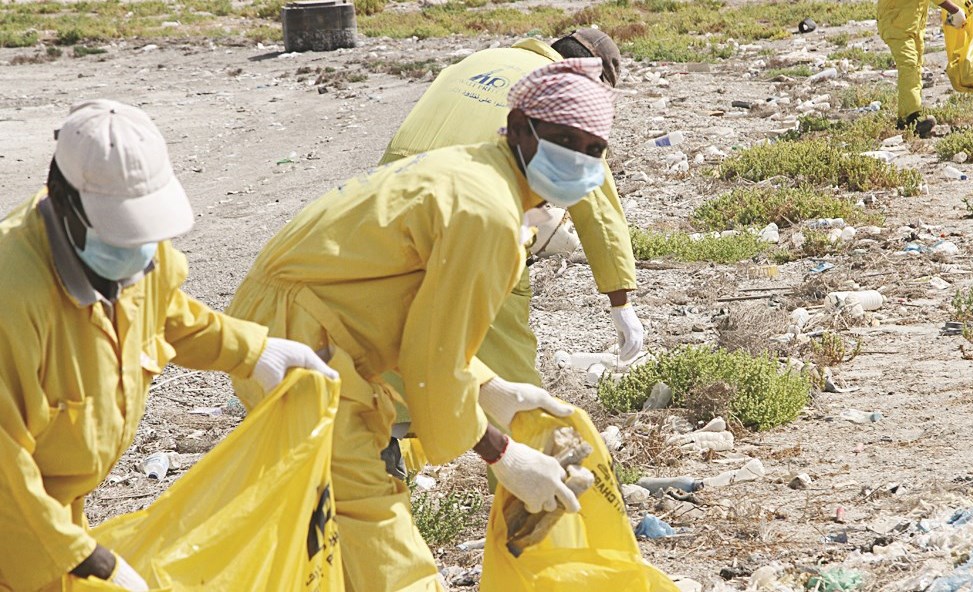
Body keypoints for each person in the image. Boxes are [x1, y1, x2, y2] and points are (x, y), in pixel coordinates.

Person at [226, 58, 616, 591]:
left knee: (335, 512)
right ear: (519, 128)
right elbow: (431, 360)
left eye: (593, 148)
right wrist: (503, 454)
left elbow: (425, 322)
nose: (578, 158)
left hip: (292, 323)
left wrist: (489, 388)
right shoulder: (488, 214)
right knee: (370, 513)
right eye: (564, 140)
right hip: (300, 339)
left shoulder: (474, 170)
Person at [0, 100, 335, 592]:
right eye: (121, 233)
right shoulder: (12, 299)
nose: (138, 253)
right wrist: (81, 558)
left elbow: (165, 314)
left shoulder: (133, 252)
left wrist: (254, 352)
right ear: (66, 203)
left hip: (53, 517)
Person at [380, 29, 641, 390]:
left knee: (394, 336)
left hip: (386, 198)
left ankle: (394, 420)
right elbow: (596, 205)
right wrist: (620, 300)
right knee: (509, 367)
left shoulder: (479, 60)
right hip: (474, 213)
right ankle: (516, 419)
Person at [878, 0, 965, 137]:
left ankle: (904, 118)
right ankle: (913, 116)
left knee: (915, 67)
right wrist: (953, 9)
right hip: (896, 24)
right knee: (909, 66)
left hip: (913, 24)